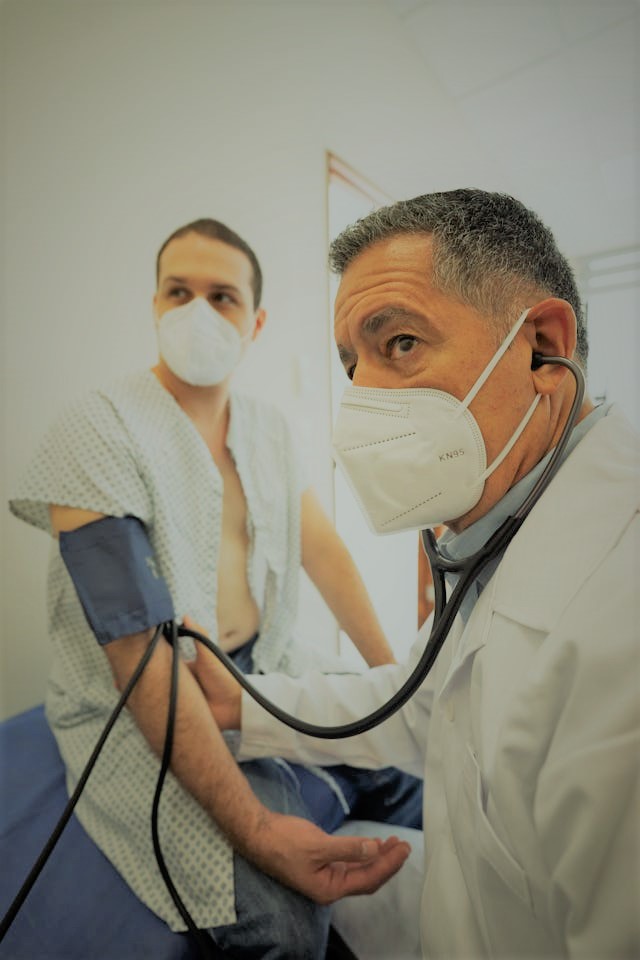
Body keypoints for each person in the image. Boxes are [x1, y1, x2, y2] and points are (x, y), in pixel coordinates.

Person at [188, 190, 640, 958]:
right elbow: (425, 705)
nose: (360, 401)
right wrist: (245, 705)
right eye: (350, 365)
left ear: (541, 346)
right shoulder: (502, 525)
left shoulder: (616, 630)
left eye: (399, 343)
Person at [8, 218, 422, 959]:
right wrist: (258, 830)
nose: (197, 312)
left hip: (263, 665)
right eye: (179, 292)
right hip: (140, 698)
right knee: (284, 925)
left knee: (415, 767)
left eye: (222, 296)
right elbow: (136, 648)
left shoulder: (267, 429)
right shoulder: (96, 431)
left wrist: (398, 683)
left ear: (255, 322)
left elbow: (323, 552)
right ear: (155, 305)